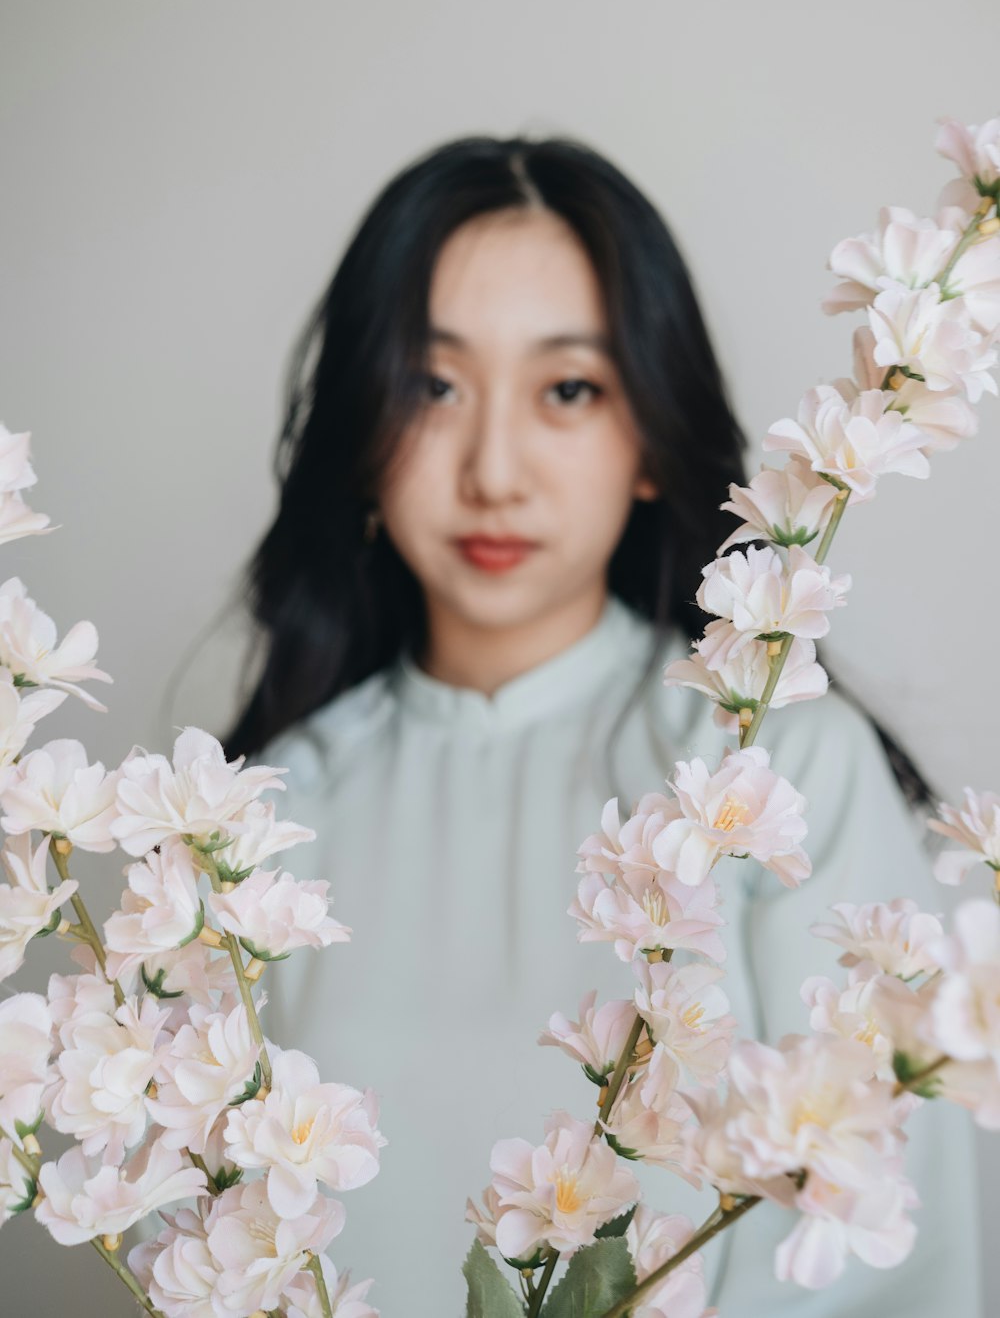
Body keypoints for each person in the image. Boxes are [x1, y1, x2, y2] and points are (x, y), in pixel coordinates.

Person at [221, 135, 981, 1316]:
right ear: (361, 428)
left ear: (646, 435)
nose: (494, 470)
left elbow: (902, 1264)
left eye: (567, 389)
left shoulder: (772, 769)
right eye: (433, 386)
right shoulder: (260, 823)